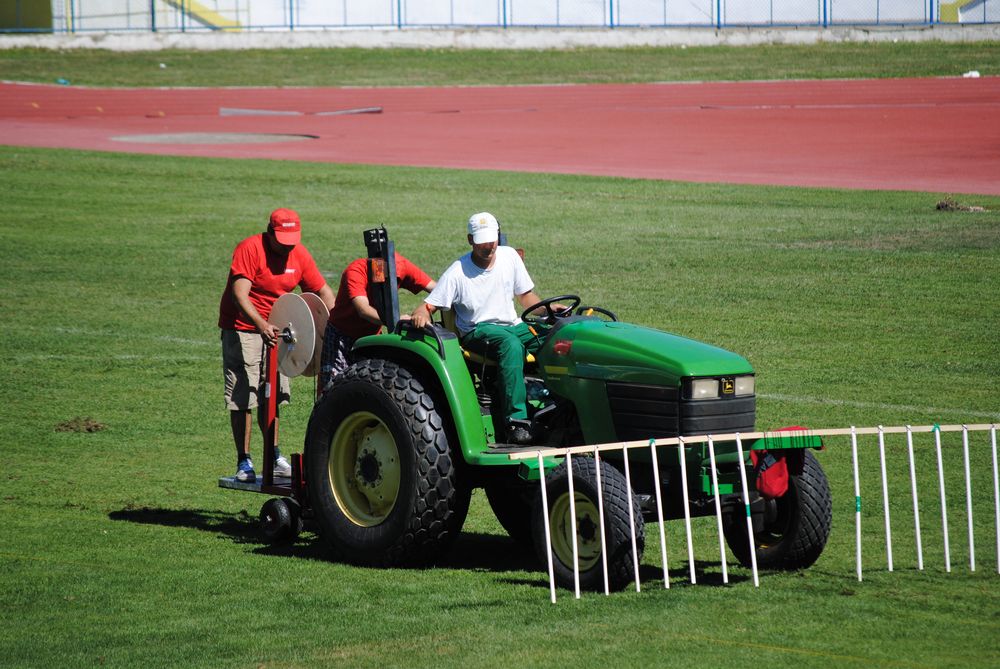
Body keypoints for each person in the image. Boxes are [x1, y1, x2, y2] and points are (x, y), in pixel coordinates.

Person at [410, 212, 559, 445]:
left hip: (513, 325)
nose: (488, 247)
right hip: (478, 330)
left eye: (492, 240)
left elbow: (526, 297)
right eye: (481, 242)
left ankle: (557, 408)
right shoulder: (458, 272)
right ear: (470, 240)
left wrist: (549, 311)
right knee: (510, 346)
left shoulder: (509, 256)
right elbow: (428, 306)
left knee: (558, 338)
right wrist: (420, 314)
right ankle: (516, 422)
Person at [218, 208, 336, 482]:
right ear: (270, 232)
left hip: (280, 329)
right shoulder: (250, 249)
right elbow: (239, 294)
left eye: (291, 242)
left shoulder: (299, 254)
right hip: (244, 327)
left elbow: (322, 291)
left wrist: (335, 322)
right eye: (282, 241)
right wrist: (261, 325)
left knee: (273, 393)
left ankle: (273, 455)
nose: (287, 248)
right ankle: (244, 461)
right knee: (244, 394)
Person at [319, 253, 436, 392]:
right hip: (340, 337)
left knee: (370, 388)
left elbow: (438, 290)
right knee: (332, 388)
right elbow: (363, 310)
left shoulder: (401, 265)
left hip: (370, 338)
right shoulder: (356, 271)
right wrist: (396, 320)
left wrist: (424, 310)